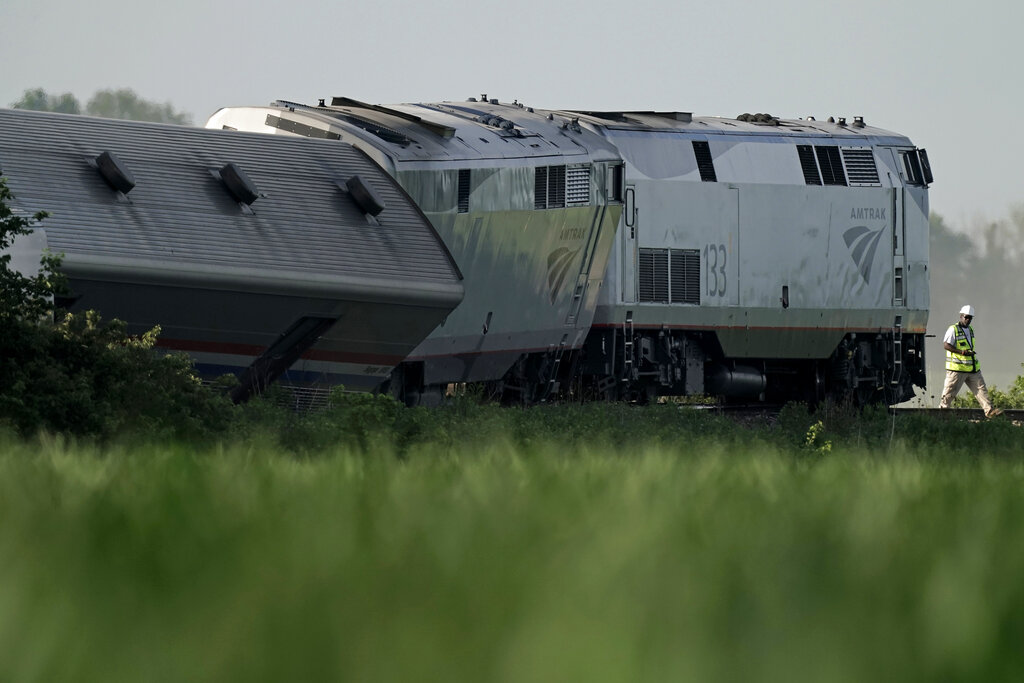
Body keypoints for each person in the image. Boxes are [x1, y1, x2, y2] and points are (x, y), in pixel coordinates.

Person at [939, 305, 1003, 417]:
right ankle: (942, 414)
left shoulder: (970, 330)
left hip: (972, 368)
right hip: (957, 369)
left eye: (970, 318)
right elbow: (946, 345)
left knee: (981, 389)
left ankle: (990, 412)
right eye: (966, 317)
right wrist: (962, 352)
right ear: (961, 316)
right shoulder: (953, 329)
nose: (968, 320)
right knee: (949, 393)